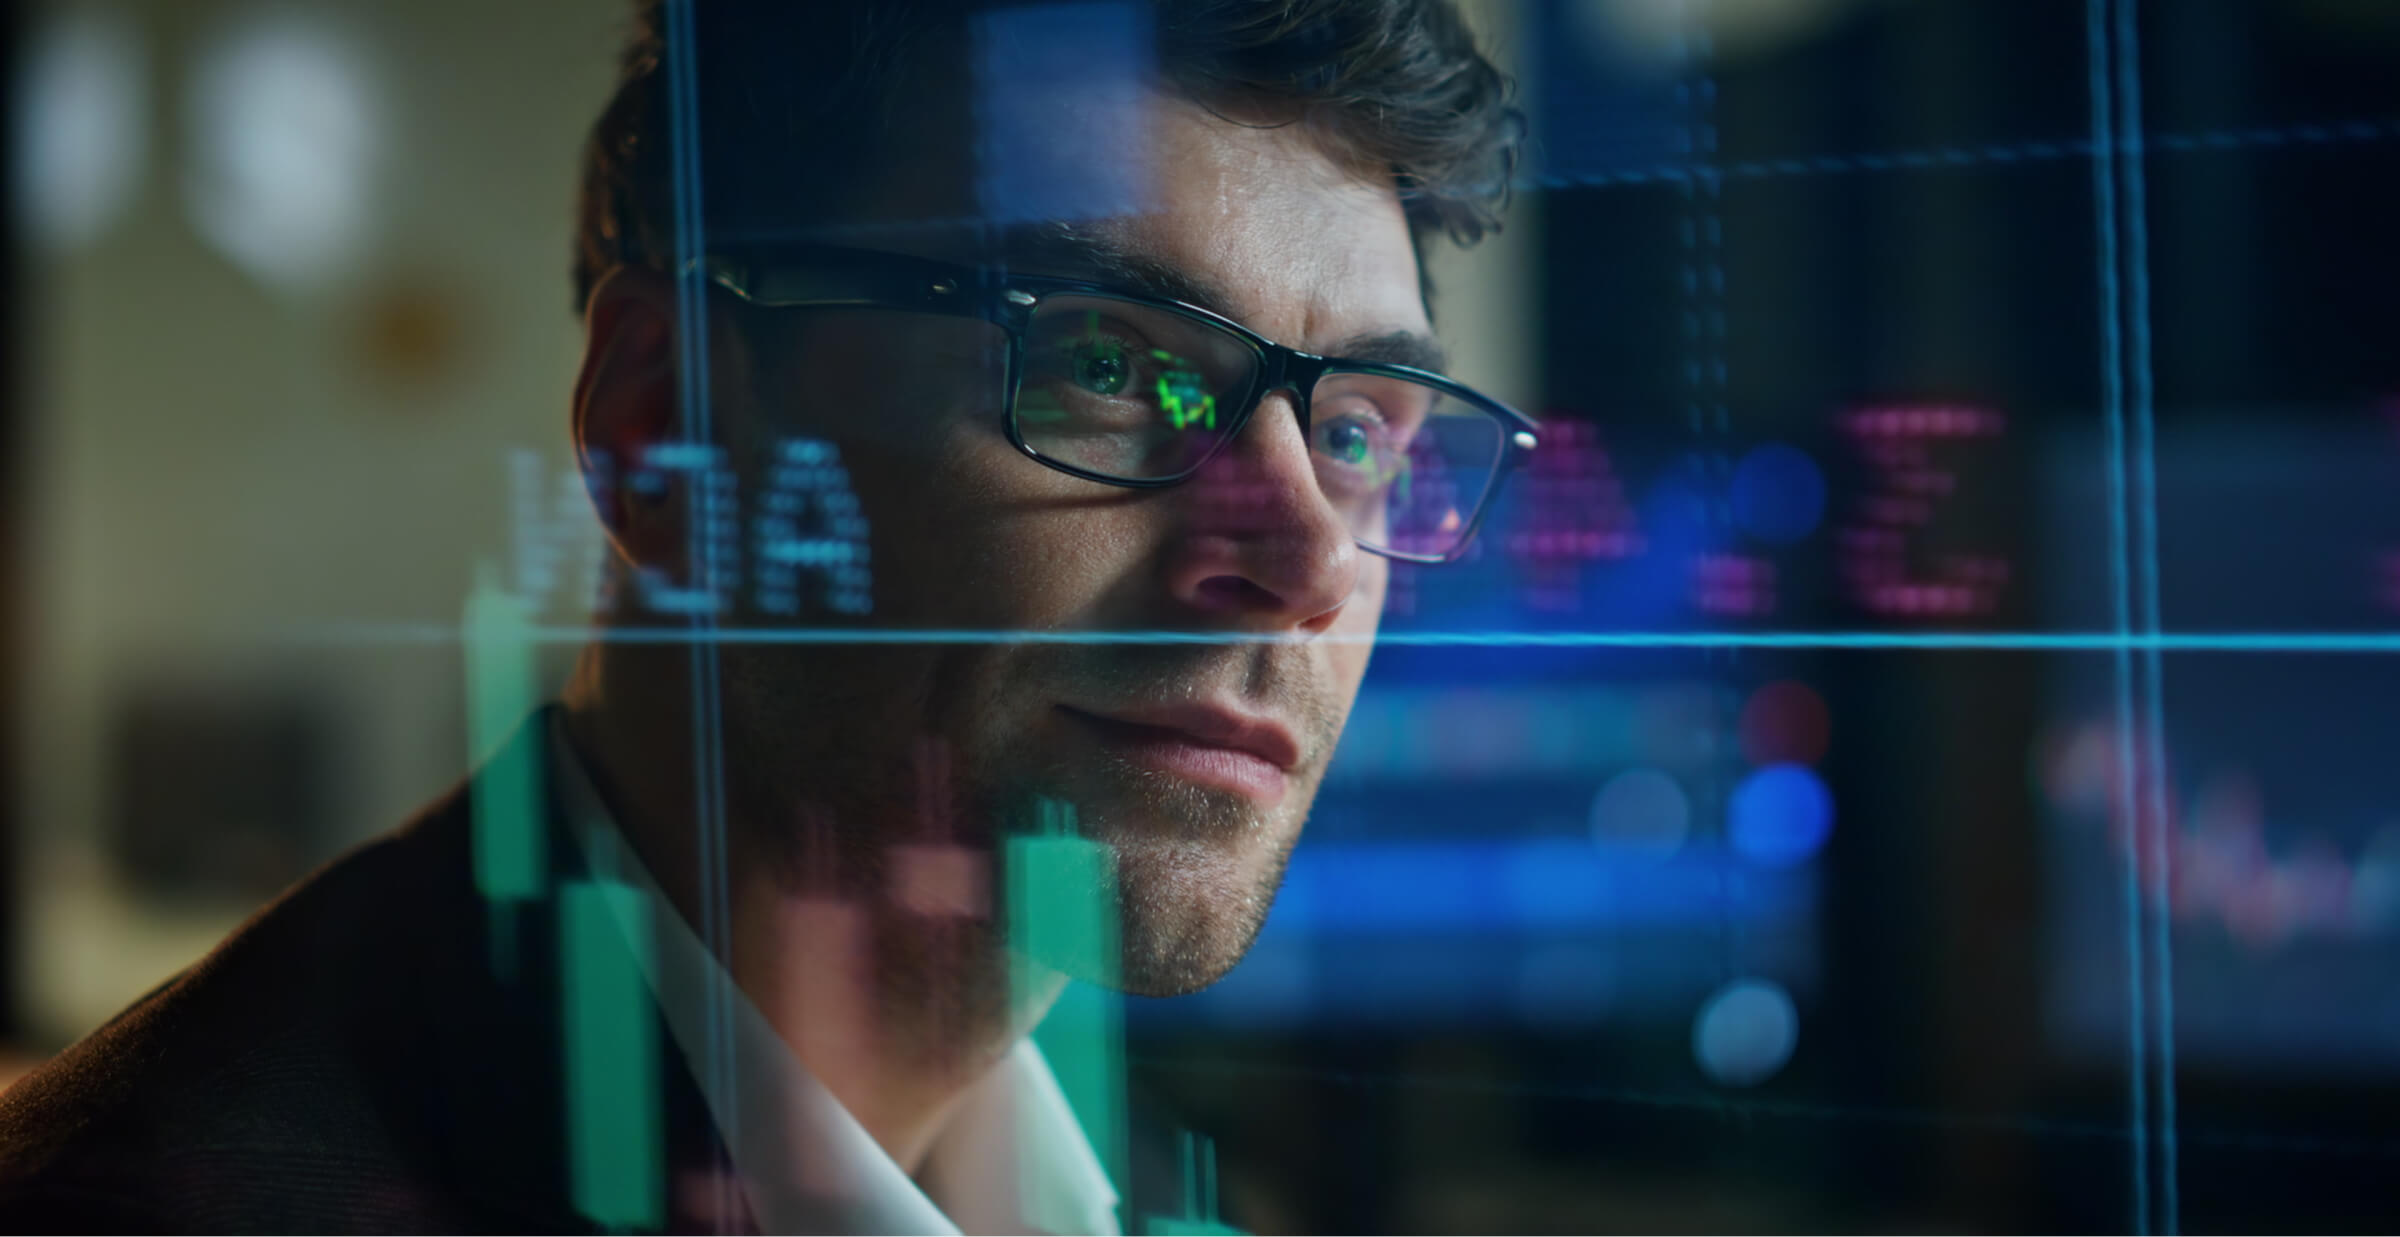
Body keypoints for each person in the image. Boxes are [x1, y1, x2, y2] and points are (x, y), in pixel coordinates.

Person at [0, 0, 1530, 1230]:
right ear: (661, 422)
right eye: (1107, 365)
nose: (1308, 562)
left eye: (1358, 435)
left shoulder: (1154, 1183)